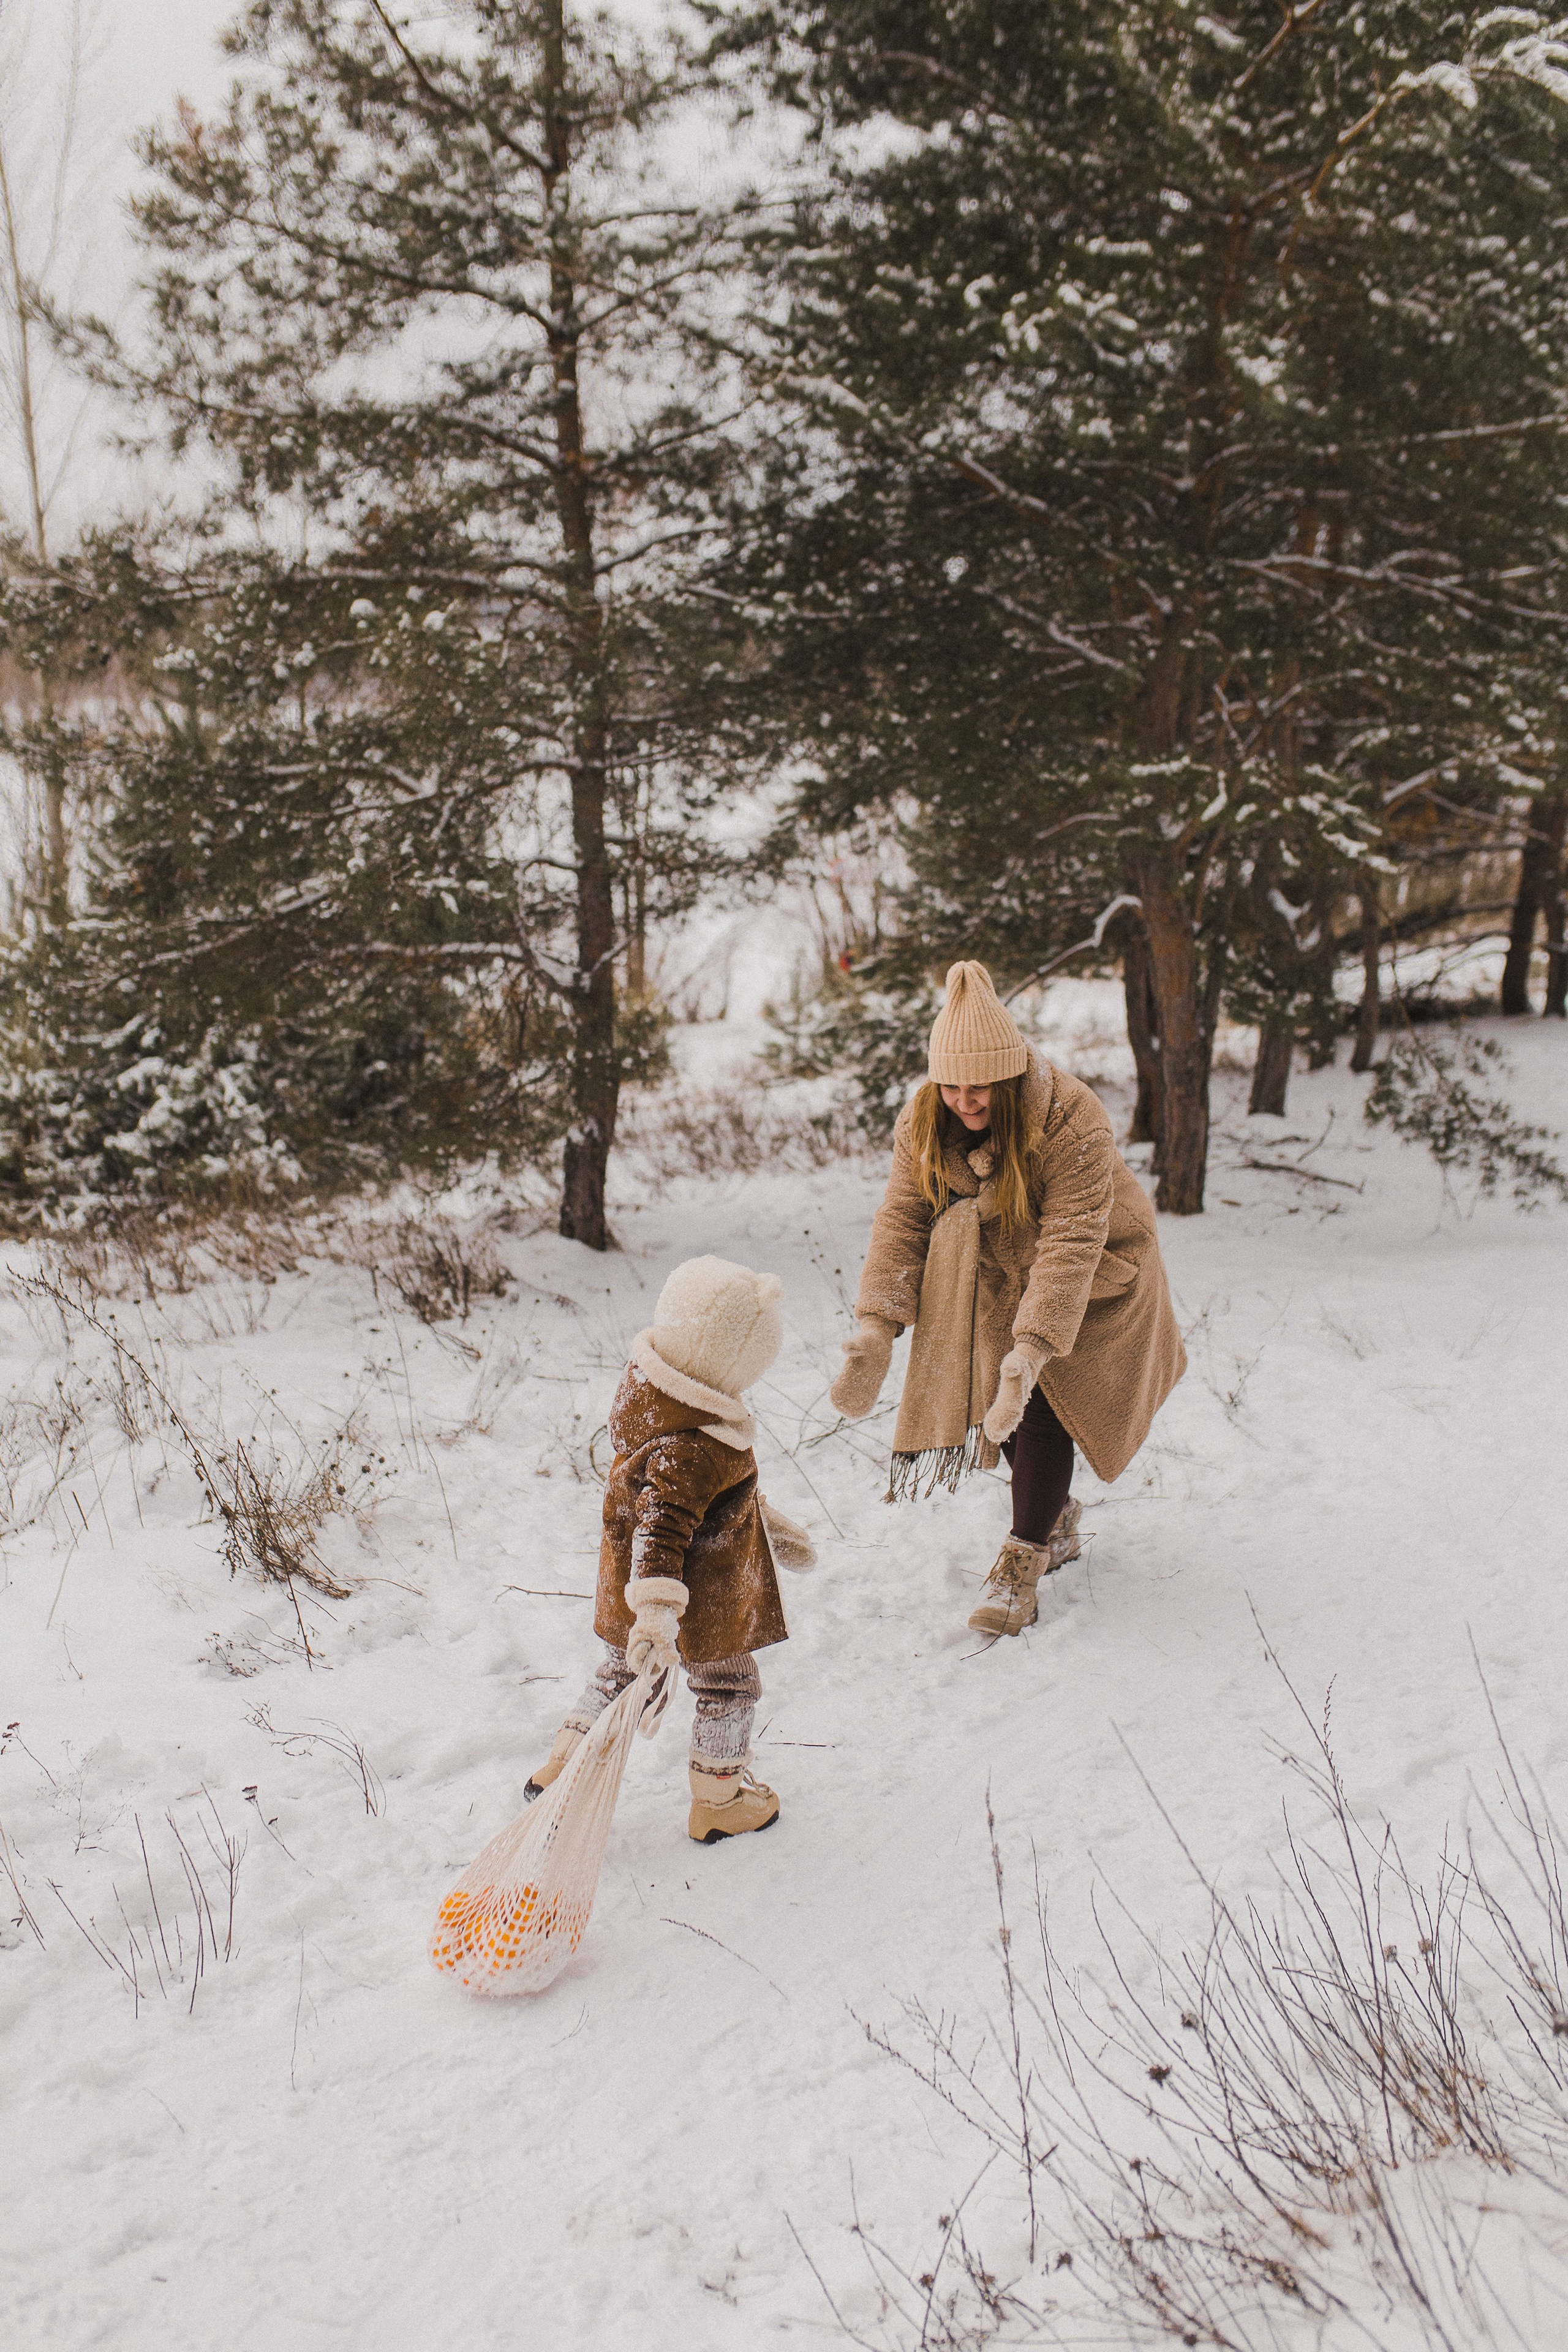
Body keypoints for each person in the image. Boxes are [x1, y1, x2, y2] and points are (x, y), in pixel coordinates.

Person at [831, 962, 1185, 1637]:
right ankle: (1054, 1521)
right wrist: (877, 1326)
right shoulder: (923, 1121)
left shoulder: (1070, 1116)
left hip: (1099, 1270)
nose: (966, 1100)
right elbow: (902, 1217)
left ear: (1011, 1072)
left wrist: (1032, 1348)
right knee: (1008, 1415)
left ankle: (1021, 1560)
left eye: (981, 1086)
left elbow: (1073, 1240)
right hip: (1000, 1270)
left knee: (1040, 1399)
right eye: (952, 1085)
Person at [526, 1254, 816, 1842]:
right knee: (728, 1686)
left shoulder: (653, 1401)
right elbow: (664, 1527)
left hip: (629, 1588)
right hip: (695, 1600)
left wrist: (776, 1530)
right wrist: (658, 1617)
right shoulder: (694, 1445)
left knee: (619, 1676)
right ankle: (719, 1800)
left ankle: (563, 1770)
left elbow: (720, 1499)